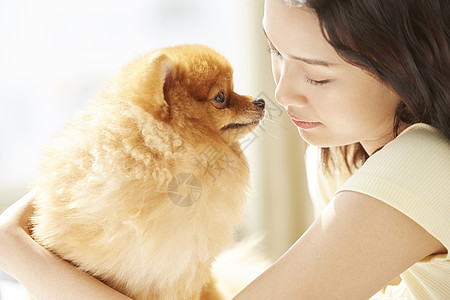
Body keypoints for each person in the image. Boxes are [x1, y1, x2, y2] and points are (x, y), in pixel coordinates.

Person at [1, 0, 449, 298]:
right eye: (275, 51)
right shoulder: (340, 153)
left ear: (409, 65)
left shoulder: (417, 167)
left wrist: (15, 250)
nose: (282, 92)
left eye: (316, 76)